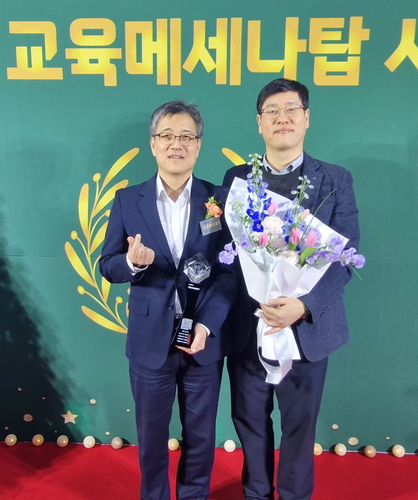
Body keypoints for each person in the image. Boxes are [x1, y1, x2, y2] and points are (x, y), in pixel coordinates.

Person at [223, 78, 360, 500]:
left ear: (306, 118)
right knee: (250, 423)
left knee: (300, 429)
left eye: (291, 110)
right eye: (272, 111)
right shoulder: (237, 178)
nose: (282, 118)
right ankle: (256, 494)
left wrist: (303, 305)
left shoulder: (334, 179)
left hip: (307, 330)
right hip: (250, 328)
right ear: (259, 123)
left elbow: (344, 258)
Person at [100, 100, 235, 500]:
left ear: (198, 145)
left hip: (202, 341)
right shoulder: (127, 200)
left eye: (186, 136)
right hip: (149, 340)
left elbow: (230, 273)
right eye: (168, 136)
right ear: (153, 144)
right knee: (151, 438)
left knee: (201, 437)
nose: (177, 144)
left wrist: (207, 325)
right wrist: (132, 262)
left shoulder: (219, 199)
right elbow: (108, 265)